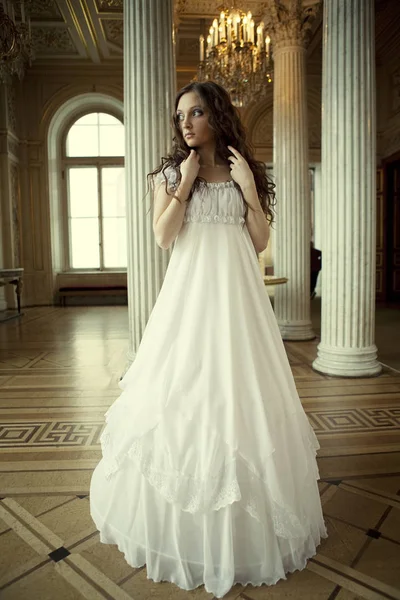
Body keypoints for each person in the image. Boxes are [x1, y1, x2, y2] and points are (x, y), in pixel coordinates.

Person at [90, 81, 327, 598]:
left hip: (240, 308)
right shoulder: (173, 173)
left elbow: (261, 242)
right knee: (186, 397)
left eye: (196, 112)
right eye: (180, 116)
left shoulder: (245, 170)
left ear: (217, 115)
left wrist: (246, 189)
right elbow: (162, 236)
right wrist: (186, 180)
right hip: (189, 307)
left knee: (242, 401)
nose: (186, 123)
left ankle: (247, 531)